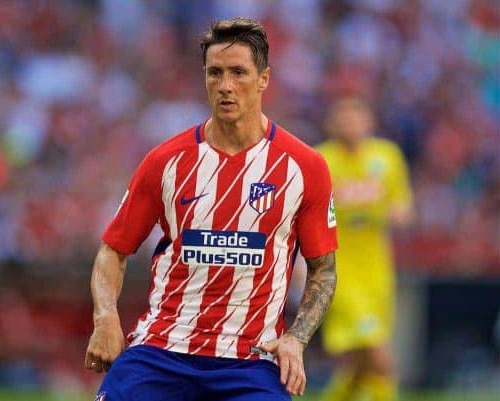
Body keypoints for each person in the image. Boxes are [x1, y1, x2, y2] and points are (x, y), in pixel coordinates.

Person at [85, 17, 338, 401]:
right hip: (162, 352)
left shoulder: (304, 167)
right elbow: (113, 251)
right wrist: (105, 317)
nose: (225, 86)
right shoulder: (165, 162)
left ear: (264, 79)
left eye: (238, 73)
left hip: (252, 361)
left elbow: (324, 269)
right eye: (215, 73)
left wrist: (296, 339)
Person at [317, 96, 414, 401]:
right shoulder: (320, 161)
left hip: (377, 270)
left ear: (369, 121)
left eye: (356, 117)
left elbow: (403, 208)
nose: (350, 124)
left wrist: (391, 212)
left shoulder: (386, 157)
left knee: (361, 365)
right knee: (378, 357)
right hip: (338, 270)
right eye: (343, 118)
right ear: (332, 124)